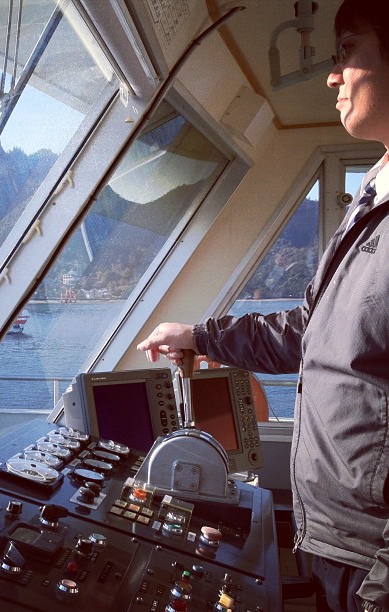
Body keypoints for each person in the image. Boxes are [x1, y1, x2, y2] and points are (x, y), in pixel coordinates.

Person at [136, 0, 389, 610]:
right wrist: (200, 336)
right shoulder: (372, 196)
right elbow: (309, 330)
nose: (332, 74)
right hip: (331, 537)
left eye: (347, 50)